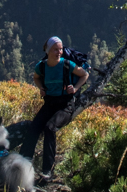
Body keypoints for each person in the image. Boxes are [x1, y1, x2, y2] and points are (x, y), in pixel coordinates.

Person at [19, 35, 88, 181]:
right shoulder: (42, 66)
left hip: (65, 105)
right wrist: (41, 88)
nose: (59, 52)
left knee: (50, 128)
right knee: (34, 127)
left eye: (61, 49)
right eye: (56, 49)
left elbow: (84, 75)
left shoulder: (67, 65)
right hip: (50, 103)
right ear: (48, 50)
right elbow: (36, 77)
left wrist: (75, 88)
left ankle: (47, 171)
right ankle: (22, 163)